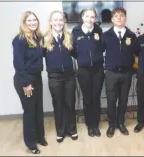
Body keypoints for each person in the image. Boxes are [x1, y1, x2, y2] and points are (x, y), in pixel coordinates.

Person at [12, 11, 48, 154]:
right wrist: (26, 83)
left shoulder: (38, 37)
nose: (33, 23)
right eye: (29, 21)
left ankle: (40, 137)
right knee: (30, 111)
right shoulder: (19, 40)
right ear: (24, 23)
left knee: (38, 109)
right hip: (25, 79)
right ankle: (31, 144)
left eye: (35, 20)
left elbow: (44, 53)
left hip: (37, 77)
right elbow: (18, 63)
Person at [43, 10, 77, 143]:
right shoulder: (44, 38)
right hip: (54, 77)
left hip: (69, 76)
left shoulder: (69, 37)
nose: (58, 22)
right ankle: (61, 131)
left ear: (64, 22)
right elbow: (40, 56)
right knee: (58, 104)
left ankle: (72, 129)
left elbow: (76, 54)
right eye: (55, 20)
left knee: (70, 103)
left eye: (61, 20)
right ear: (51, 22)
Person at [103, 7, 137, 138]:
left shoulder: (131, 35)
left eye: (122, 15)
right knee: (111, 100)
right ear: (112, 19)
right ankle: (111, 125)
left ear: (125, 18)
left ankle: (121, 123)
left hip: (126, 73)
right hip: (111, 73)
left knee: (123, 100)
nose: (119, 18)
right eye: (116, 16)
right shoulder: (106, 35)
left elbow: (136, 54)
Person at [71, 8, 104, 137]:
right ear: (82, 17)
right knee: (87, 98)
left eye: (92, 17)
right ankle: (90, 125)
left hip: (98, 69)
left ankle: (96, 125)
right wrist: (82, 59)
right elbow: (73, 51)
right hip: (84, 70)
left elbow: (101, 47)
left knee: (96, 98)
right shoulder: (76, 31)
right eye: (87, 16)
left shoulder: (98, 30)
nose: (90, 19)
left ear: (95, 18)